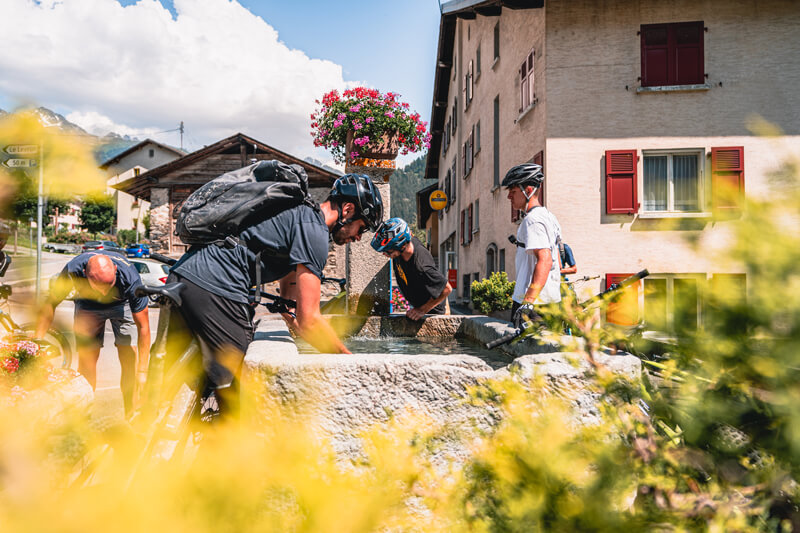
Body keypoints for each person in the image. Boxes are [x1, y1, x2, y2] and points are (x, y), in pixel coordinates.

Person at [168, 173, 384, 415]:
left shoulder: (301, 216)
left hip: (184, 273)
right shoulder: (315, 232)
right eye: (361, 228)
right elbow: (310, 320)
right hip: (217, 284)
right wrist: (347, 360)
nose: (357, 237)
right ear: (347, 209)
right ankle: (225, 445)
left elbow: (291, 304)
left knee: (173, 374)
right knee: (244, 381)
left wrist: (293, 315)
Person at [36, 251, 151, 418]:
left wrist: (142, 371)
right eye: (98, 286)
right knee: (87, 362)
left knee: (129, 359)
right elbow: (50, 303)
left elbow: (144, 327)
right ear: (84, 275)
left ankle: (131, 416)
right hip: (88, 306)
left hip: (122, 304)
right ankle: (84, 418)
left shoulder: (130, 277)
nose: (104, 293)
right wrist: (36, 341)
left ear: (116, 269)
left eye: (109, 285)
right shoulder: (72, 271)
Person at [503, 163, 563, 328]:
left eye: (513, 191)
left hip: (534, 305)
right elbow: (556, 256)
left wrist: (528, 302)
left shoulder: (533, 220)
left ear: (528, 190)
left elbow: (545, 260)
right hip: (549, 301)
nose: (509, 197)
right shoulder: (549, 216)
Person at [371, 217, 452, 320]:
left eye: (388, 251)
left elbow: (447, 288)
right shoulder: (403, 247)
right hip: (419, 304)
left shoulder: (422, 265)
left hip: (434, 312)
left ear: (400, 245)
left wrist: (422, 310)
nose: (385, 254)